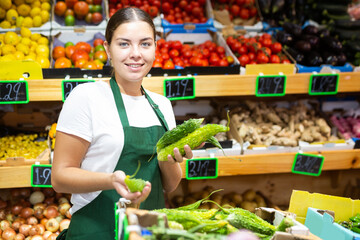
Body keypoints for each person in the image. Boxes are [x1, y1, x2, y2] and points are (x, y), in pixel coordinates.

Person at [52, 7, 196, 240]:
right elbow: (60, 177)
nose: (136, 53)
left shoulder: (162, 105)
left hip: (148, 232)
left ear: (155, 48)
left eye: (145, 44)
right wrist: (111, 180)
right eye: (124, 44)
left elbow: (169, 186)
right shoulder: (86, 97)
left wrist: (168, 159)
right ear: (108, 49)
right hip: (96, 231)